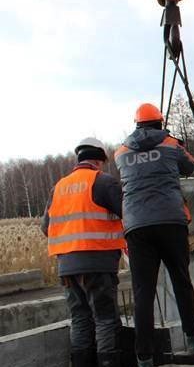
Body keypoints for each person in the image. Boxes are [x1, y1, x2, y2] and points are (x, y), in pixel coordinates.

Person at [114, 103, 194, 367]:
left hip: (137, 227)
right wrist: (178, 142)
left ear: (137, 124)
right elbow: (191, 166)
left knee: (143, 292)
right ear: (159, 122)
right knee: (181, 280)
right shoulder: (171, 144)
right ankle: (193, 339)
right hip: (170, 222)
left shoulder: (121, 152)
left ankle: (144, 356)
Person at [41, 138, 125, 367]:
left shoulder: (58, 187)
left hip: (66, 267)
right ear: (99, 161)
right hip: (98, 263)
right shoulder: (103, 182)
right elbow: (130, 216)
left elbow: (45, 227)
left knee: (79, 319)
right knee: (105, 319)